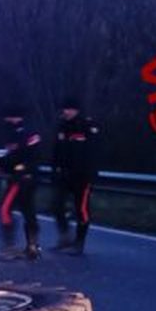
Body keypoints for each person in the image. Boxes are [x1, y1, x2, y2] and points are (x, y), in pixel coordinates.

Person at [52, 96, 100, 255]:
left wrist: (91, 174)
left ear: (76, 110)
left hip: (83, 176)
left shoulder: (87, 125)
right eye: (64, 109)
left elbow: (94, 152)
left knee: (82, 209)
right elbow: (57, 151)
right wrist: (55, 169)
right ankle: (65, 236)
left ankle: (79, 243)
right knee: (56, 205)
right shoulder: (62, 126)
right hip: (65, 174)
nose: (65, 112)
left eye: (68, 109)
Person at [0, 108, 43, 260]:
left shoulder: (19, 134)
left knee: (4, 209)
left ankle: (9, 247)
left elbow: (16, 156)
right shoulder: (31, 132)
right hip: (31, 176)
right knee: (28, 210)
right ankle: (32, 246)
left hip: (20, 178)